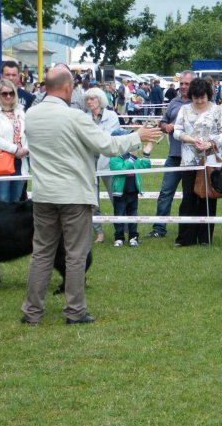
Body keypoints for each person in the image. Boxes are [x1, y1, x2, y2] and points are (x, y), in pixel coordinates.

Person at [20, 67, 162, 325]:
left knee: (41, 253)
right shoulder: (75, 117)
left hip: (43, 194)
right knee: (75, 254)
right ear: (67, 87)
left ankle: (32, 312)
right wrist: (138, 136)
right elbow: (108, 145)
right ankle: (75, 311)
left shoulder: (31, 115)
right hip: (74, 195)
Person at [173, 77, 222, 247]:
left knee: (208, 197)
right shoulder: (184, 110)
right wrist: (191, 140)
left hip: (210, 160)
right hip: (189, 160)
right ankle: (185, 238)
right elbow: (177, 131)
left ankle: (205, 237)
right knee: (188, 197)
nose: (199, 101)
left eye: (202, 97)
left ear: (208, 95)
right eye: (195, 98)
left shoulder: (217, 110)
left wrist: (210, 143)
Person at [144, 71, 192, 239]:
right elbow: (162, 122)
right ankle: (159, 228)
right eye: (182, 83)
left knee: (190, 195)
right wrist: (166, 127)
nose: (183, 86)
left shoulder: (199, 102)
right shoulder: (173, 102)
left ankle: (189, 229)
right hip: (174, 156)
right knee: (165, 193)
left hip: (193, 158)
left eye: (187, 84)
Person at [84, 86, 122, 243]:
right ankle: (98, 232)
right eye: (87, 99)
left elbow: (109, 138)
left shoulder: (112, 116)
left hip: (108, 163)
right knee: (92, 201)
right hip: (88, 164)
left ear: (100, 100)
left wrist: (93, 138)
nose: (89, 102)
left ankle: (123, 228)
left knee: (116, 198)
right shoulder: (83, 117)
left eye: (92, 99)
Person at [0, 79, 28, 202]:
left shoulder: (20, 111)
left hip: (20, 160)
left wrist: (25, 149)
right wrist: (15, 149)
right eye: (4, 93)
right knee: (2, 199)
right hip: (1, 160)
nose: (8, 96)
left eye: (11, 93)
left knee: (16, 199)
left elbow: (27, 133)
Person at [109, 146, 152, 247]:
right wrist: (132, 157)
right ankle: (119, 238)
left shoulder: (133, 158)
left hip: (133, 192)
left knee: (133, 215)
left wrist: (146, 155)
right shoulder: (114, 158)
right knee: (119, 216)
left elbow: (145, 167)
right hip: (120, 193)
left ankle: (133, 237)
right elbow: (122, 169)